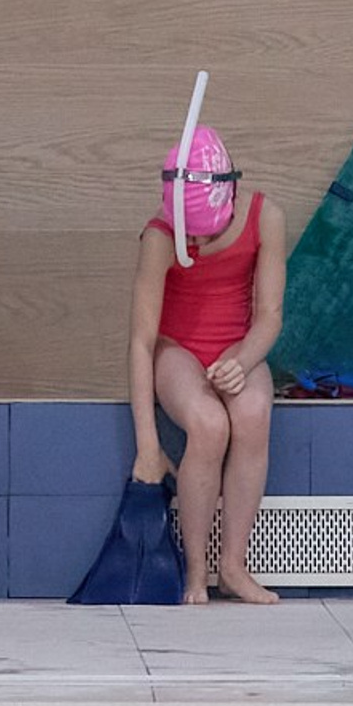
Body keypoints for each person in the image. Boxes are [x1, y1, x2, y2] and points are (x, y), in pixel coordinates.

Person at [127, 122, 286, 607]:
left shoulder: (266, 216)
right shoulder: (159, 236)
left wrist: (243, 359)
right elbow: (140, 340)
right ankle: (196, 569)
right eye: (190, 235)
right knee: (209, 424)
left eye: (207, 232)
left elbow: (270, 316)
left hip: (238, 343)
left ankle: (232, 566)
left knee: (254, 413)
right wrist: (147, 446)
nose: (198, 243)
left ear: (232, 191)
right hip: (178, 349)